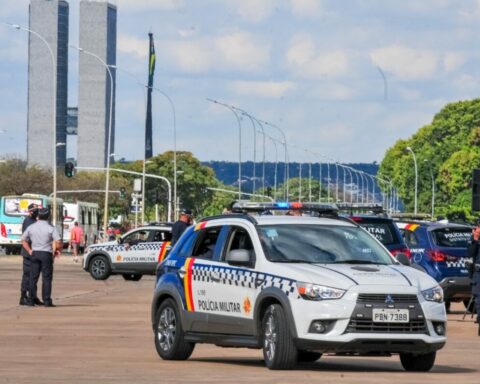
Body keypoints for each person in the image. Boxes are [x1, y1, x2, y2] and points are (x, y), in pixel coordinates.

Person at [21, 207, 62, 307]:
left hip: (34, 253)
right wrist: (57, 250)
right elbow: (58, 241)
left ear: (38, 216)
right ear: (48, 216)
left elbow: (23, 239)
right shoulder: (51, 228)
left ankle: (31, 300)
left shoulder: (32, 227)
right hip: (46, 254)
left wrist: (29, 250)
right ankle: (47, 301)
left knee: (33, 278)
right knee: (46, 278)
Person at [19, 203, 42, 306]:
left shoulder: (34, 221)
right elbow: (27, 238)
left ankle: (33, 296)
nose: (37, 212)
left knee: (34, 276)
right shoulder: (28, 221)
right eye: (36, 210)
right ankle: (24, 297)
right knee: (28, 275)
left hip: (34, 251)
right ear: (31, 212)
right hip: (28, 252)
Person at [467, 218, 480, 336]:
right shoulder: (475, 239)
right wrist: (475, 239)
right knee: (478, 296)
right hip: (478, 272)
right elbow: (470, 253)